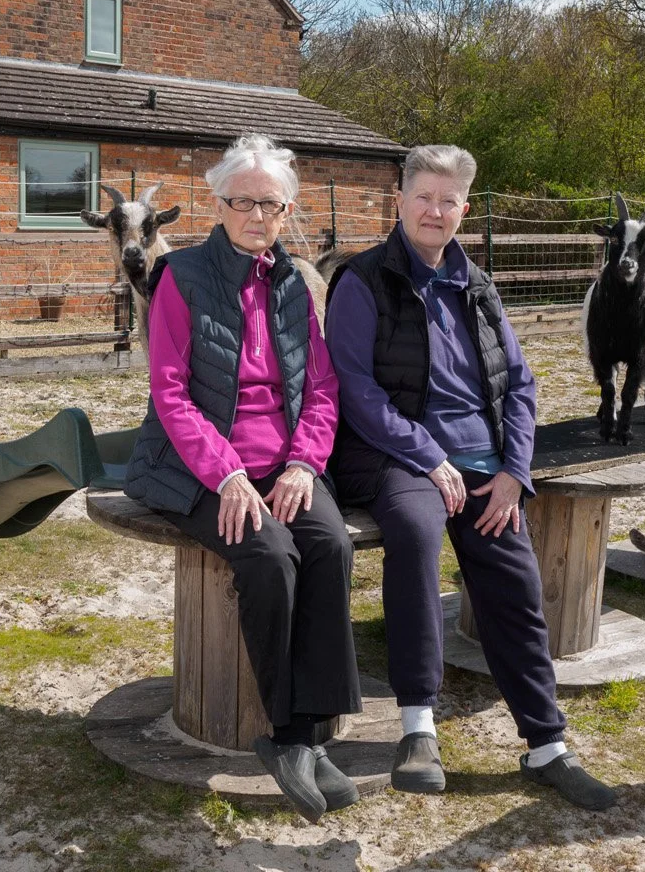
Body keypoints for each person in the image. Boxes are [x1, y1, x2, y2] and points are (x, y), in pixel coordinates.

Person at [325, 145, 617, 811]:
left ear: (464, 210)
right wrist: (428, 457)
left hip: (484, 465)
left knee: (516, 580)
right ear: (399, 201)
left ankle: (547, 746)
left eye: (448, 200)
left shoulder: (477, 286)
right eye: (423, 196)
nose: (435, 210)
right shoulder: (361, 281)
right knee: (415, 537)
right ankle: (417, 728)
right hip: (398, 457)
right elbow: (355, 391)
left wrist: (515, 470)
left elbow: (519, 383)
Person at [123, 133, 361, 823]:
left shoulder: (293, 284)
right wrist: (227, 473)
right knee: (269, 555)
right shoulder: (182, 279)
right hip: (197, 467)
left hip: (283, 464)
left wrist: (303, 464)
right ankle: (291, 737)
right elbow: (170, 394)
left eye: (272, 204)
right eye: (243, 202)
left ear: (288, 212)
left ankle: (310, 737)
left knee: (330, 545)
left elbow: (321, 389)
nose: (258, 216)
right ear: (218, 203)